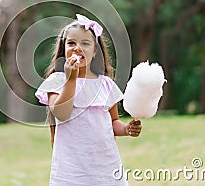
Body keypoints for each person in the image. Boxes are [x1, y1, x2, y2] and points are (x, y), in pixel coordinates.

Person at [35, 14, 142, 186]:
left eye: (85, 43)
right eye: (71, 43)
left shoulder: (105, 84)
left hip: (105, 166)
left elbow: (113, 122)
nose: (77, 48)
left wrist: (127, 129)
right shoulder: (57, 81)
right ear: (64, 50)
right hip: (72, 169)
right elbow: (61, 114)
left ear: (94, 53)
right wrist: (71, 79)